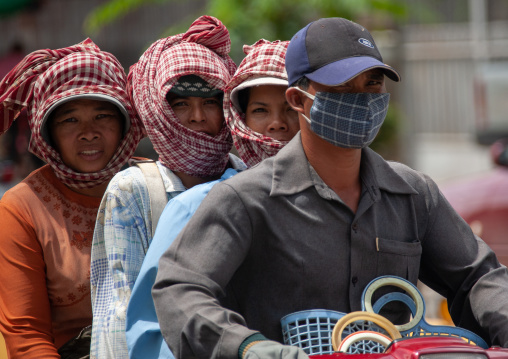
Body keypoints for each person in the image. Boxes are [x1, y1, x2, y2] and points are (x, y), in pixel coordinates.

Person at [152, 17, 508, 359]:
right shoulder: (245, 200)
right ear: (297, 99)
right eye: (341, 87)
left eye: (372, 84)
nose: (362, 99)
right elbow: (180, 289)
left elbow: (479, 278)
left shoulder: (414, 194)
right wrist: (245, 347)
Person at [124, 38, 298, 358]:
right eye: (179, 104)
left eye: (210, 103)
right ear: (241, 118)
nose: (277, 123)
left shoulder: (339, 196)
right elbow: (147, 322)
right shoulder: (192, 203)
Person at [89, 15, 245, 359]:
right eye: (180, 104)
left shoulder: (249, 180)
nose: (198, 117)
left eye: (210, 102)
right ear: (158, 111)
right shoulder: (134, 191)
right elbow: (118, 308)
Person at [0, 39, 144, 358]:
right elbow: (27, 335)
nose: (88, 132)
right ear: (48, 132)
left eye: (103, 115)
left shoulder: (156, 185)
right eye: (69, 120)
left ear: (124, 124)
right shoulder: (22, 208)